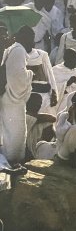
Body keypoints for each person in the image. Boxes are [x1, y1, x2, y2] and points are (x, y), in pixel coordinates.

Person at [0, 25, 34, 164]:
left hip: (7, 96)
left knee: (9, 132)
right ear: (26, 37)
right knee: (16, 133)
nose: (33, 42)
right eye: (31, 38)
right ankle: (12, 161)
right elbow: (18, 77)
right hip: (13, 99)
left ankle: (9, 160)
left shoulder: (12, 49)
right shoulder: (18, 50)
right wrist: (30, 73)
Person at [52, 49, 76, 113]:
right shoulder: (55, 70)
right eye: (72, 58)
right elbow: (52, 89)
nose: (75, 61)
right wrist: (68, 83)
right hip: (62, 101)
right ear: (65, 58)